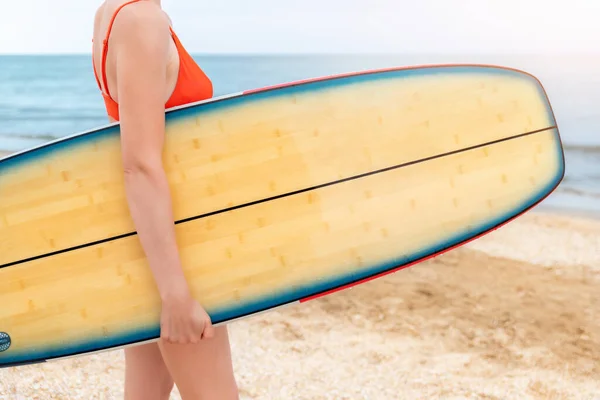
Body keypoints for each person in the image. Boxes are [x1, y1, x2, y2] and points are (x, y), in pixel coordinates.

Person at [91, 1, 239, 399]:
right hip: (177, 257)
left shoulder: (114, 13)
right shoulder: (142, 22)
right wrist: (176, 294)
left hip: (149, 248)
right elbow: (138, 165)